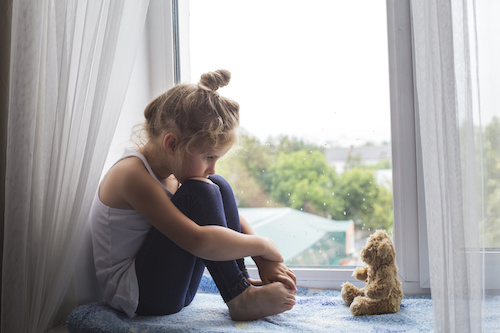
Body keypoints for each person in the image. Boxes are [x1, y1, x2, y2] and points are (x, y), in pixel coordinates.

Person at [90, 69, 297, 321]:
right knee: (201, 190)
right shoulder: (131, 175)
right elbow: (197, 240)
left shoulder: (173, 170)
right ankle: (239, 297)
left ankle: (240, 284)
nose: (212, 167)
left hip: (174, 290)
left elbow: (226, 219)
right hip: (139, 295)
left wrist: (263, 259)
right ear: (172, 144)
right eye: (208, 157)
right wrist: (265, 245)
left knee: (216, 184)